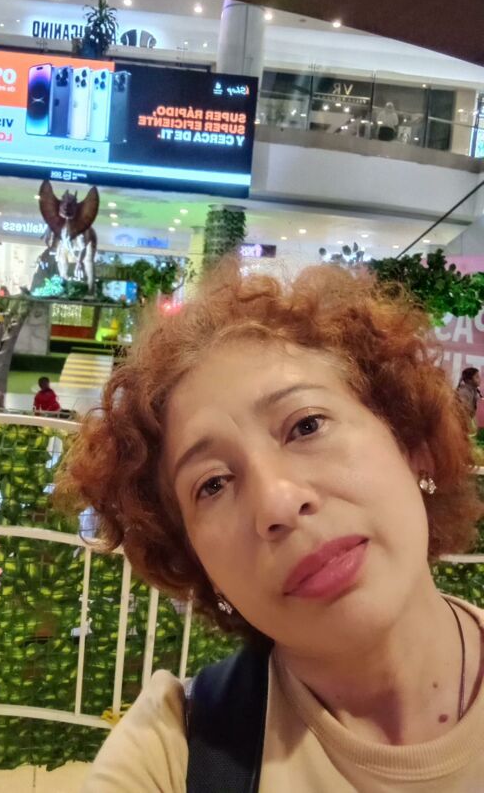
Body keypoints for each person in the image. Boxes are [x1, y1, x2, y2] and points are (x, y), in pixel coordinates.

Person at [62, 258, 484, 792]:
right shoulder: (171, 755)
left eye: (306, 426)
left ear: (411, 444)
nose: (278, 504)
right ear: (198, 562)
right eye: (213, 484)